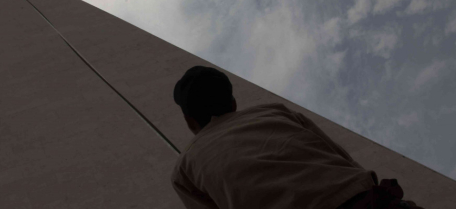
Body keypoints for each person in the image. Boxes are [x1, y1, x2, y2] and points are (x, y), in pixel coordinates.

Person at [171, 65, 423, 209]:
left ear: (189, 120)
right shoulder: (275, 113)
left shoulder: (185, 168)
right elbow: (340, 157)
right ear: (234, 103)